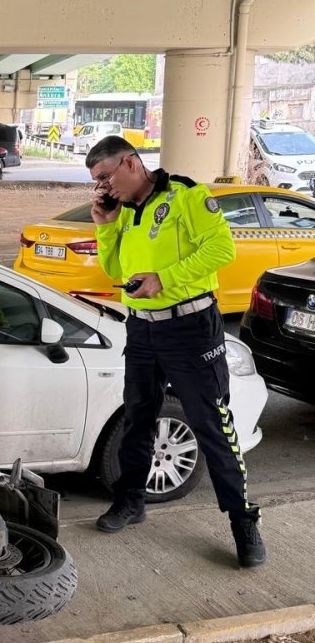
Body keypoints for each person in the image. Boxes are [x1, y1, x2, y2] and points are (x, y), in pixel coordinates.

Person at [86, 135, 265, 568]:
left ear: (130, 163)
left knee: (212, 425)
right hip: (143, 330)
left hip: (190, 328)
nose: (103, 188)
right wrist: (106, 225)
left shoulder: (186, 197)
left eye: (105, 178)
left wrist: (163, 279)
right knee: (137, 417)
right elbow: (116, 270)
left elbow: (222, 249)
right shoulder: (125, 213)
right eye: (96, 183)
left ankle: (244, 523)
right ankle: (131, 501)